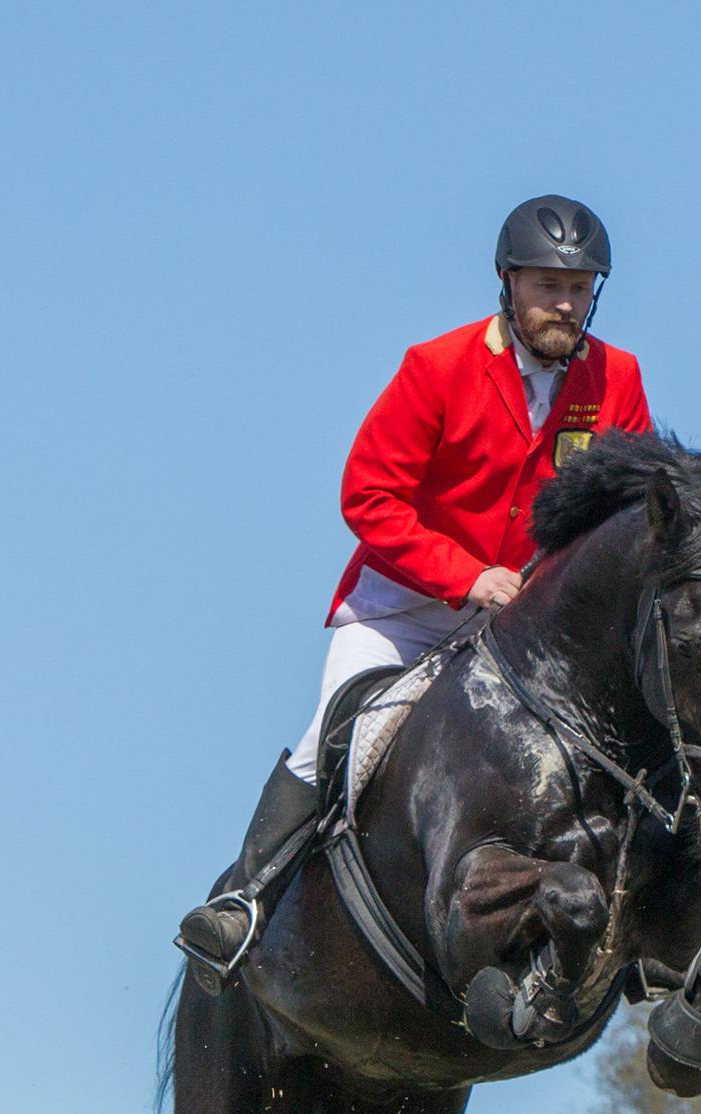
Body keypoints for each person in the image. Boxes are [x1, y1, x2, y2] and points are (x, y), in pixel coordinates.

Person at [177, 194, 653, 994]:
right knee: (339, 735)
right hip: (405, 608)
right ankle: (243, 902)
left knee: (615, 746)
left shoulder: (617, 379)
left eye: (578, 287)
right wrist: (466, 576)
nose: (563, 303)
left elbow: (622, 518)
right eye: (546, 286)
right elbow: (367, 496)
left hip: (524, 630)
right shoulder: (437, 367)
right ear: (507, 282)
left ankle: (633, 933)